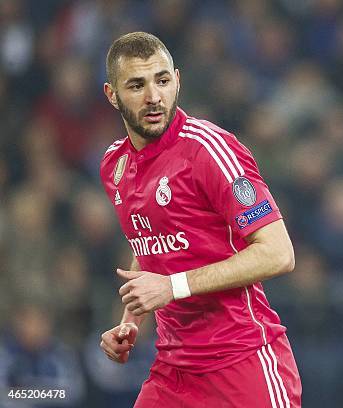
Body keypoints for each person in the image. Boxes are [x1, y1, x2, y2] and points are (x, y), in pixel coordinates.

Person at [98, 32, 301, 408]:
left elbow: (278, 253)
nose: (153, 97)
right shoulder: (114, 165)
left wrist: (172, 286)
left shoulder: (208, 149)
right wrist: (131, 321)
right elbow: (151, 244)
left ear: (177, 80)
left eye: (161, 80)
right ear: (112, 95)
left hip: (242, 363)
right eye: (136, 86)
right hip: (173, 373)